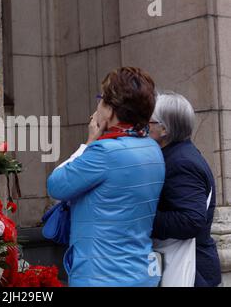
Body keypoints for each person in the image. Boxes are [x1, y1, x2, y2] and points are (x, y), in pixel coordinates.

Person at [47, 67, 165, 287]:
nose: (97, 107)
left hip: (101, 275)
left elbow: (56, 185)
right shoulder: (152, 148)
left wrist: (89, 142)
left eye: (101, 100)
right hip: (140, 272)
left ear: (110, 110)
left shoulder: (104, 152)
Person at [149, 91, 221, 287]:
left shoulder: (182, 163)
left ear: (164, 129)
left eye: (150, 121)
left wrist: (142, 216)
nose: (145, 126)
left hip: (192, 272)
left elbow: (191, 220)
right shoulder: (180, 155)